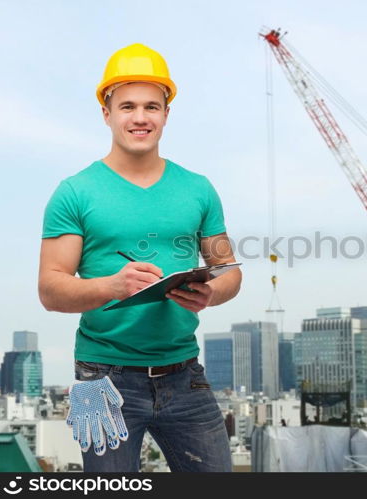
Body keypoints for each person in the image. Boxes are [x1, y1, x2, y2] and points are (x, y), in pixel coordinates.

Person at [38, 43, 242, 472]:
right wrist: (113, 286)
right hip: (101, 377)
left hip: (185, 373)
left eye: (152, 106)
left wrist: (211, 293)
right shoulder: (75, 192)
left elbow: (228, 271)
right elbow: (51, 289)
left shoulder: (199, 188)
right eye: (127, 105)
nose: (140, 117)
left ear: (166, 114)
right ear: (106, 113)